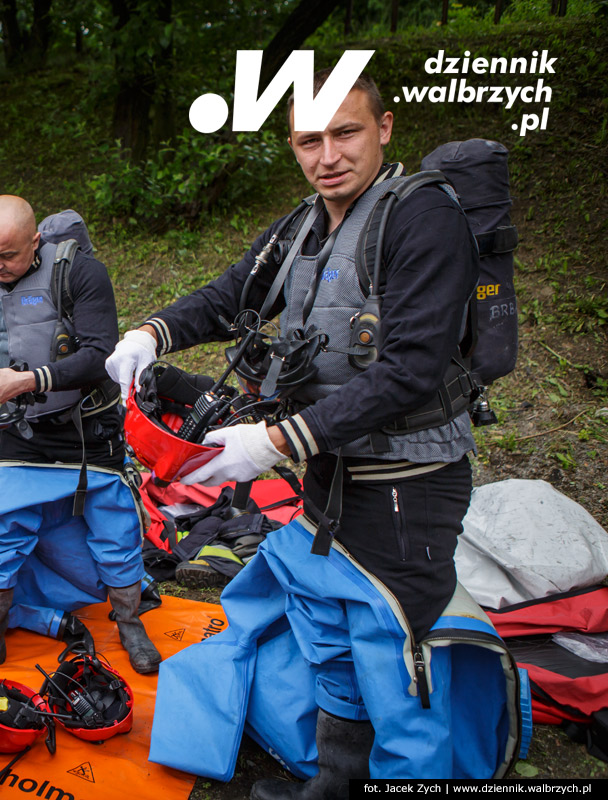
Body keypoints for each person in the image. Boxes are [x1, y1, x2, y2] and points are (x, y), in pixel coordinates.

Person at [108, 71, 480, 792]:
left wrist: (270, 443)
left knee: (402, 663)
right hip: (327, 478)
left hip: (407, 490)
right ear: (292, 144)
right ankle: (334, 784)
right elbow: (228, 297)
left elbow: (409, 369)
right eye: (310, 140)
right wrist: (152, 333)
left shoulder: (422, 217)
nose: (327, 155)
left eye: (345, 133)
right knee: (333, 641)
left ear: (385, 128)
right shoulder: (303, 224)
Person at [0, 195, 161, 675]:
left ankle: (130, 623)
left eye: (8, 254)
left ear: (35, 240)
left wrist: (28, 381)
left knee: (115, 529)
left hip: (86, 431)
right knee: (0, 526)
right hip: (17, 434)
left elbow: (99, 354)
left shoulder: (82, 274)